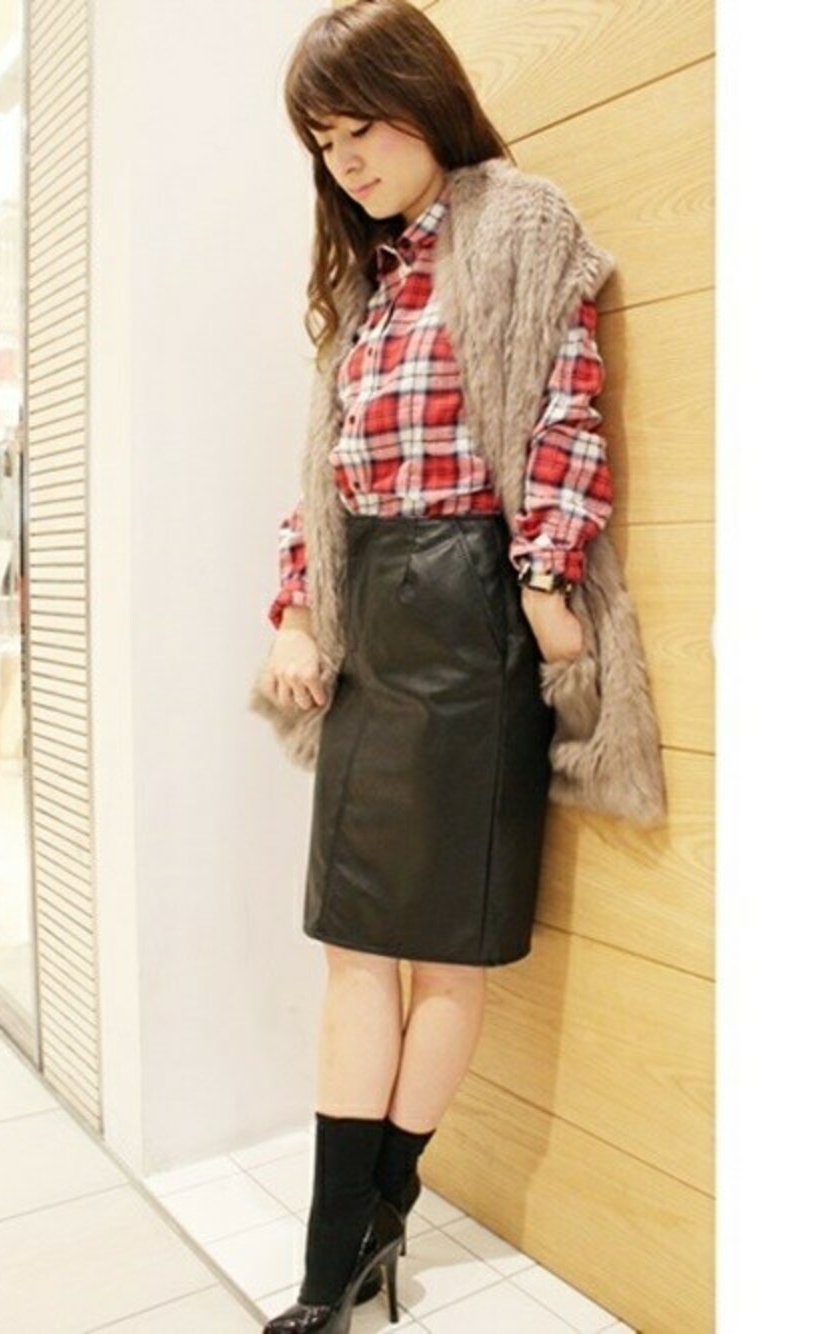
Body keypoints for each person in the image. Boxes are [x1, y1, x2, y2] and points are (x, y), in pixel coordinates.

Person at [256, 3, 638, 1330]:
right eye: (324, 142)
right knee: (355, 953)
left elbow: (566, 407)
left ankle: (367, 1233)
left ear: (426, 99)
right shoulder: (365, 288)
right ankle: (339, 1255)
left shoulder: (518, 222)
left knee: (449, 959)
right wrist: (295, 610)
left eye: (363, 126)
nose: (347, 160)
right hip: (372, 628)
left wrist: (543, 576)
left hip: (474, 621)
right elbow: (323, 478)